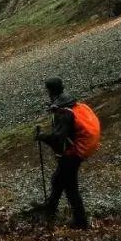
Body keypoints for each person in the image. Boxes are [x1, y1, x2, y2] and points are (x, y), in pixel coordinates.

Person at [35, 77, 90, 229]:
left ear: (50, 91)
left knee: (70, 187)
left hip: (70, 154)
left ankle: (81, 222)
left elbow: (59, 138)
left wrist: (42, 137)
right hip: (73, 152)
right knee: (58, 181)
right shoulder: (69, 102)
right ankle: (50, 212)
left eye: (47, 90)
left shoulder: (62, 111)